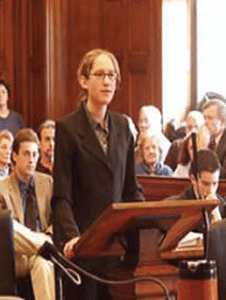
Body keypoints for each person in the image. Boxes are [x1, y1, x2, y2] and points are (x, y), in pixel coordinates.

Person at [52, 48, 144, 300]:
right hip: (84, 250)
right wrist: (73, 239)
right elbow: (61, 196)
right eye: (100, 74)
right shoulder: (67, 129)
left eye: (112, 76)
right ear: (84, 80)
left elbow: (130, 189)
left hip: (118, 250)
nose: (107, 82)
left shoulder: (124, 126)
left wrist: (150, 222)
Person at [0, 128, 55, 300]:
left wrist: (48, 235)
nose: (31, 159)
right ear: (15, 156)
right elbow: (3, 236)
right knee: (8, 225)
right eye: (26, 154)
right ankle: (42, 244)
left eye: (34, 154)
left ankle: (43, 246)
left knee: (42, 262)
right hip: (17, 256)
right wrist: (41, 241)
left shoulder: (47, 183)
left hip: (42, 255)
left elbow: (57, 220)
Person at [167, 149, 226, 225]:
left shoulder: (223, 207)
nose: (211, 190)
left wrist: (218, 220)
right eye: (205, 184)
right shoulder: (178, 206)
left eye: (215, 183)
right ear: (193, 179)